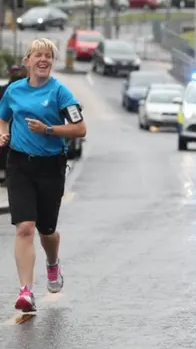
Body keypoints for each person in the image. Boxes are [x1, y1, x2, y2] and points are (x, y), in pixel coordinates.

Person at [0, 38, 87, 312]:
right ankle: (26, 291)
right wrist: (2, 131)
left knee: (46, 230)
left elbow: (80, 129)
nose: (43, 60)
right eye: (38, 55)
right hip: (20, 165)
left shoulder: (61, 93)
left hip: (51, 166)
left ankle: (52, 263)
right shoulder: (13, 91)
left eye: (48, 56)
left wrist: (48, 130)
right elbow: (2, 117)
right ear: (27, 61)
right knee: (24, 227)